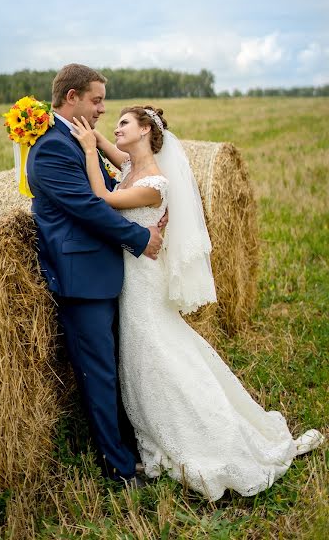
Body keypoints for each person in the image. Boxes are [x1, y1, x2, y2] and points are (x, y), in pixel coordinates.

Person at [71, 105, 324, 500]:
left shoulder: (154, 182)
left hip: (144, 281)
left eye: (123, 123)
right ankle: (155, 437)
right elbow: (114, 153)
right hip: (131, 277)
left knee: (157, 351)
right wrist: (90, 134)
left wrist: (87, 150)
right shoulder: (132, 166)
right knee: (142, 356)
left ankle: (207, 435)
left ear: (144, 132)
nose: (114, 129)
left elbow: (102, 197)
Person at [26, 64, 165, 485]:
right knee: (99, 373)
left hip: (101, 270)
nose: (103, 108)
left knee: (114, 367)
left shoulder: (73, 139)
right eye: (97, 99)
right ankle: (118, 470)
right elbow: (88, 206)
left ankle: (130, 449)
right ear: (72, 98)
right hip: (82, 277)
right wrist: (140, 238)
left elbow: (111, 187)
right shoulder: (51, 147)